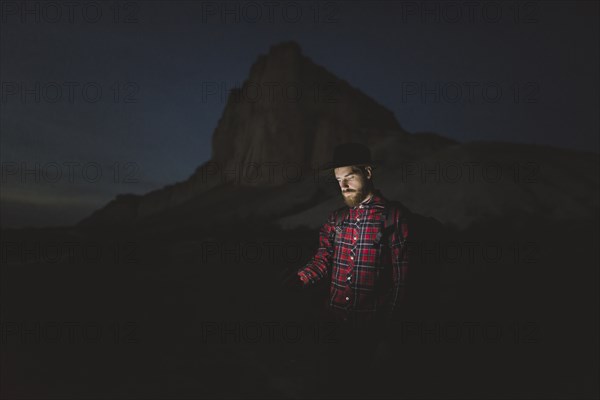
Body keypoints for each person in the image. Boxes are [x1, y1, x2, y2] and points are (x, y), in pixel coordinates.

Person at [295, 142, 412, 394]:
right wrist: (299, 279)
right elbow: (322, 261)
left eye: (349, 176)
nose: (343, 185)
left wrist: (388, 336)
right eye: (338, 180)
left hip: (370, 333)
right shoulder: (336, 219)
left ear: (367, 173)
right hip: (332, 327)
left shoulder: (393, 217)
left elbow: (403, 282)